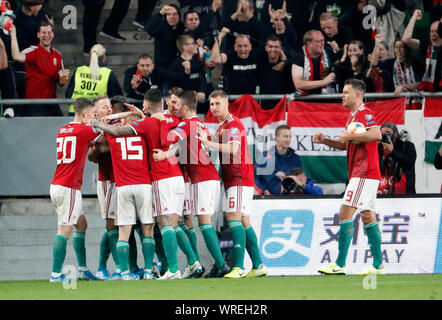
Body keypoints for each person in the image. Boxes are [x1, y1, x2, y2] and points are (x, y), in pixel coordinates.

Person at [155, 90, 230, 278]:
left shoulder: (188, 123)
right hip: (208, 176)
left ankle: (221, 265)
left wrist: (161, 122)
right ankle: (215, 264)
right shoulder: (199, 123)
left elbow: (169, 139)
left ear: (186, 107)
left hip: (202, 178)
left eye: (178, 106)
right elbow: (181, 149)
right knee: (203, 222)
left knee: (204, 223)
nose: (175, 109)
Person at [314, 79, 385, 276]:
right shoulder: (352, 117)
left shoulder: (365, 113)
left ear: (357, 94)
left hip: (364, 171)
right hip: (363, 172)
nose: (342, 95)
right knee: (367, 214)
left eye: (346, 92)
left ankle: (339, 264)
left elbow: (377, 135)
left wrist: (351, 137)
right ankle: (378, 265)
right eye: (342, 92)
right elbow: (348, 145)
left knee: (345, 211)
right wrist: (325, 140)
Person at [197, 89, 268, 278]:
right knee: (243, 220)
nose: (214, 107)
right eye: (211, 104)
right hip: (234, 178)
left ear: (227, 103)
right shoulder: (223, 126)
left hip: (239, 177)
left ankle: (238, 267)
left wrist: (208, 143)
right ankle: (259, 265)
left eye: (217, 103)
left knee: (233, 218)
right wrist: (209, 139)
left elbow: (233, 148)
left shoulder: (234, 124)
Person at [90, 110, 156, 281]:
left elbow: (99, 142)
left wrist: (107, 119)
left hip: (124, 187)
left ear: (125, 124)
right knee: (148, 231)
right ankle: (148, 271)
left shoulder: (114, 137)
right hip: (143, 186)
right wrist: (140, 115)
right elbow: (149, 121)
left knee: (123, 233)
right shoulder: (144, 134)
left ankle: (125, 273)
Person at [49, 98, 100, 282]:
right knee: (64, 230)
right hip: (68, 187)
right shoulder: (84, 130)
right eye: (93, 113)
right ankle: (55, 274)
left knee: (81, 224)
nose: (94, 117)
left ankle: (83, 270)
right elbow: (104, 131)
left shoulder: (62, 130)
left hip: (58, 184)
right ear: (85, 114)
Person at [87, 95, 123, 280]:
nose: (109, 110)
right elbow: (93, 155)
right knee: (112, 225)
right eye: (104, 107)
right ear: (95, 113)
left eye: (110, 106)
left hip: (124, 180)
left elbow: (101, 148)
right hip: (108, 180)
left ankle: (104, 267)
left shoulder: (117, 124)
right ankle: (117, 268)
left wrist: (102, 147)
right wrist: (101, 146)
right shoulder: (93, 130)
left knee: (119, 226)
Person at [10, 21, 68, 116]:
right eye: (43, 32)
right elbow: (16, 56)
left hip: (52, 103)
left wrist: (63, 80)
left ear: (52, 34)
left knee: (61, 128)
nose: (46, 35)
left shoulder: (58, 55)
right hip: (34, 104)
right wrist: (13, 33)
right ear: (38, 35)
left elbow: (61, 82)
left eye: (49, 32)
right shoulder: (33, 51)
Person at [65, 44, 123, 116]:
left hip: (76, 113)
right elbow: (118, 97)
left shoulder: (79, 70)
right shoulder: (107, 73)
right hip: (97, 114)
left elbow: (68, 94)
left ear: (90, 56)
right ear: (103, 57)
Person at [254, 124, 302, 196]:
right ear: (277, 137)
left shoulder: (295, 158)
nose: (288, 139)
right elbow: (254, 178)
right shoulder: (264, 156)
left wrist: (290, 182)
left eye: (290, 137)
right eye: (285, 136)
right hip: (267, 201)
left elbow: (301, 181)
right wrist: (262, 191)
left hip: (289, 201)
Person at [210, 28, 260, 95]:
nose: (242, 49)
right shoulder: (230, 56)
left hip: (250, 100)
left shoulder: (256, 56)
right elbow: (214, 58)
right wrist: (220, 36)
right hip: (232, 100)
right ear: (235, 47)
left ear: (250, 47)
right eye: (239, 46)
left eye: (245, 46)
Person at [402, 10, 442, 92]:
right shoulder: (425, 45)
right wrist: (414, 17)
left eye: (436, 31)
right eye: (431, 31)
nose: (433, 34)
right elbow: (405, 39)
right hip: (428, 94)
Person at [291, 30, 336, 96]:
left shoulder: (329, 52)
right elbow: (298, 84)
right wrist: (323, 82)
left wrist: (338, 51)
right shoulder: (299, 57)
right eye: (318, 41)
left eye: (323, 40)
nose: (322, 43)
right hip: (305, 101)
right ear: (309, 43)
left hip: (326, 100)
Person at [168, 34, 208, 110]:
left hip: (199, 103)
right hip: (182, 105)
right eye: (193, 43)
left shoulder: (198, 62)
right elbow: (174, 84)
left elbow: (203, 78)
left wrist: (202, 91)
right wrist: (186, 72)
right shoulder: (175, 64)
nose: (196, 45)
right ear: (185, 47)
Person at [377, 122, 416, 195]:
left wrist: (392, 152)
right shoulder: (378, 148)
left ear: (395, 134)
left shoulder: (406, 146)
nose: (385, 137)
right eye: (382, 134)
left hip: (401, 191)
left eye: (388, 134)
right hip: (381, 191)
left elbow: (410, 162)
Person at [257, 36, 294, 109]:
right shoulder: (260, 63)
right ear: (266, 48)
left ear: (281, 49)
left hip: (284, 107)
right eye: (270, 46)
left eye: (276, 47)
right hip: (265, 106)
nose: (273, 49)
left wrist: (284, 61)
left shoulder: (289, 65)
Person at [145, 4, 184, 70]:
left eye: (175, 14)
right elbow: (148, 28)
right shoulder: (161, 27)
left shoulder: (182, 27)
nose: (172, 17)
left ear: (179, 16)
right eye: (169, 14)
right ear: (165, 16)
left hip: (179, 65)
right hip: (162, 66)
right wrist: (160, 13)